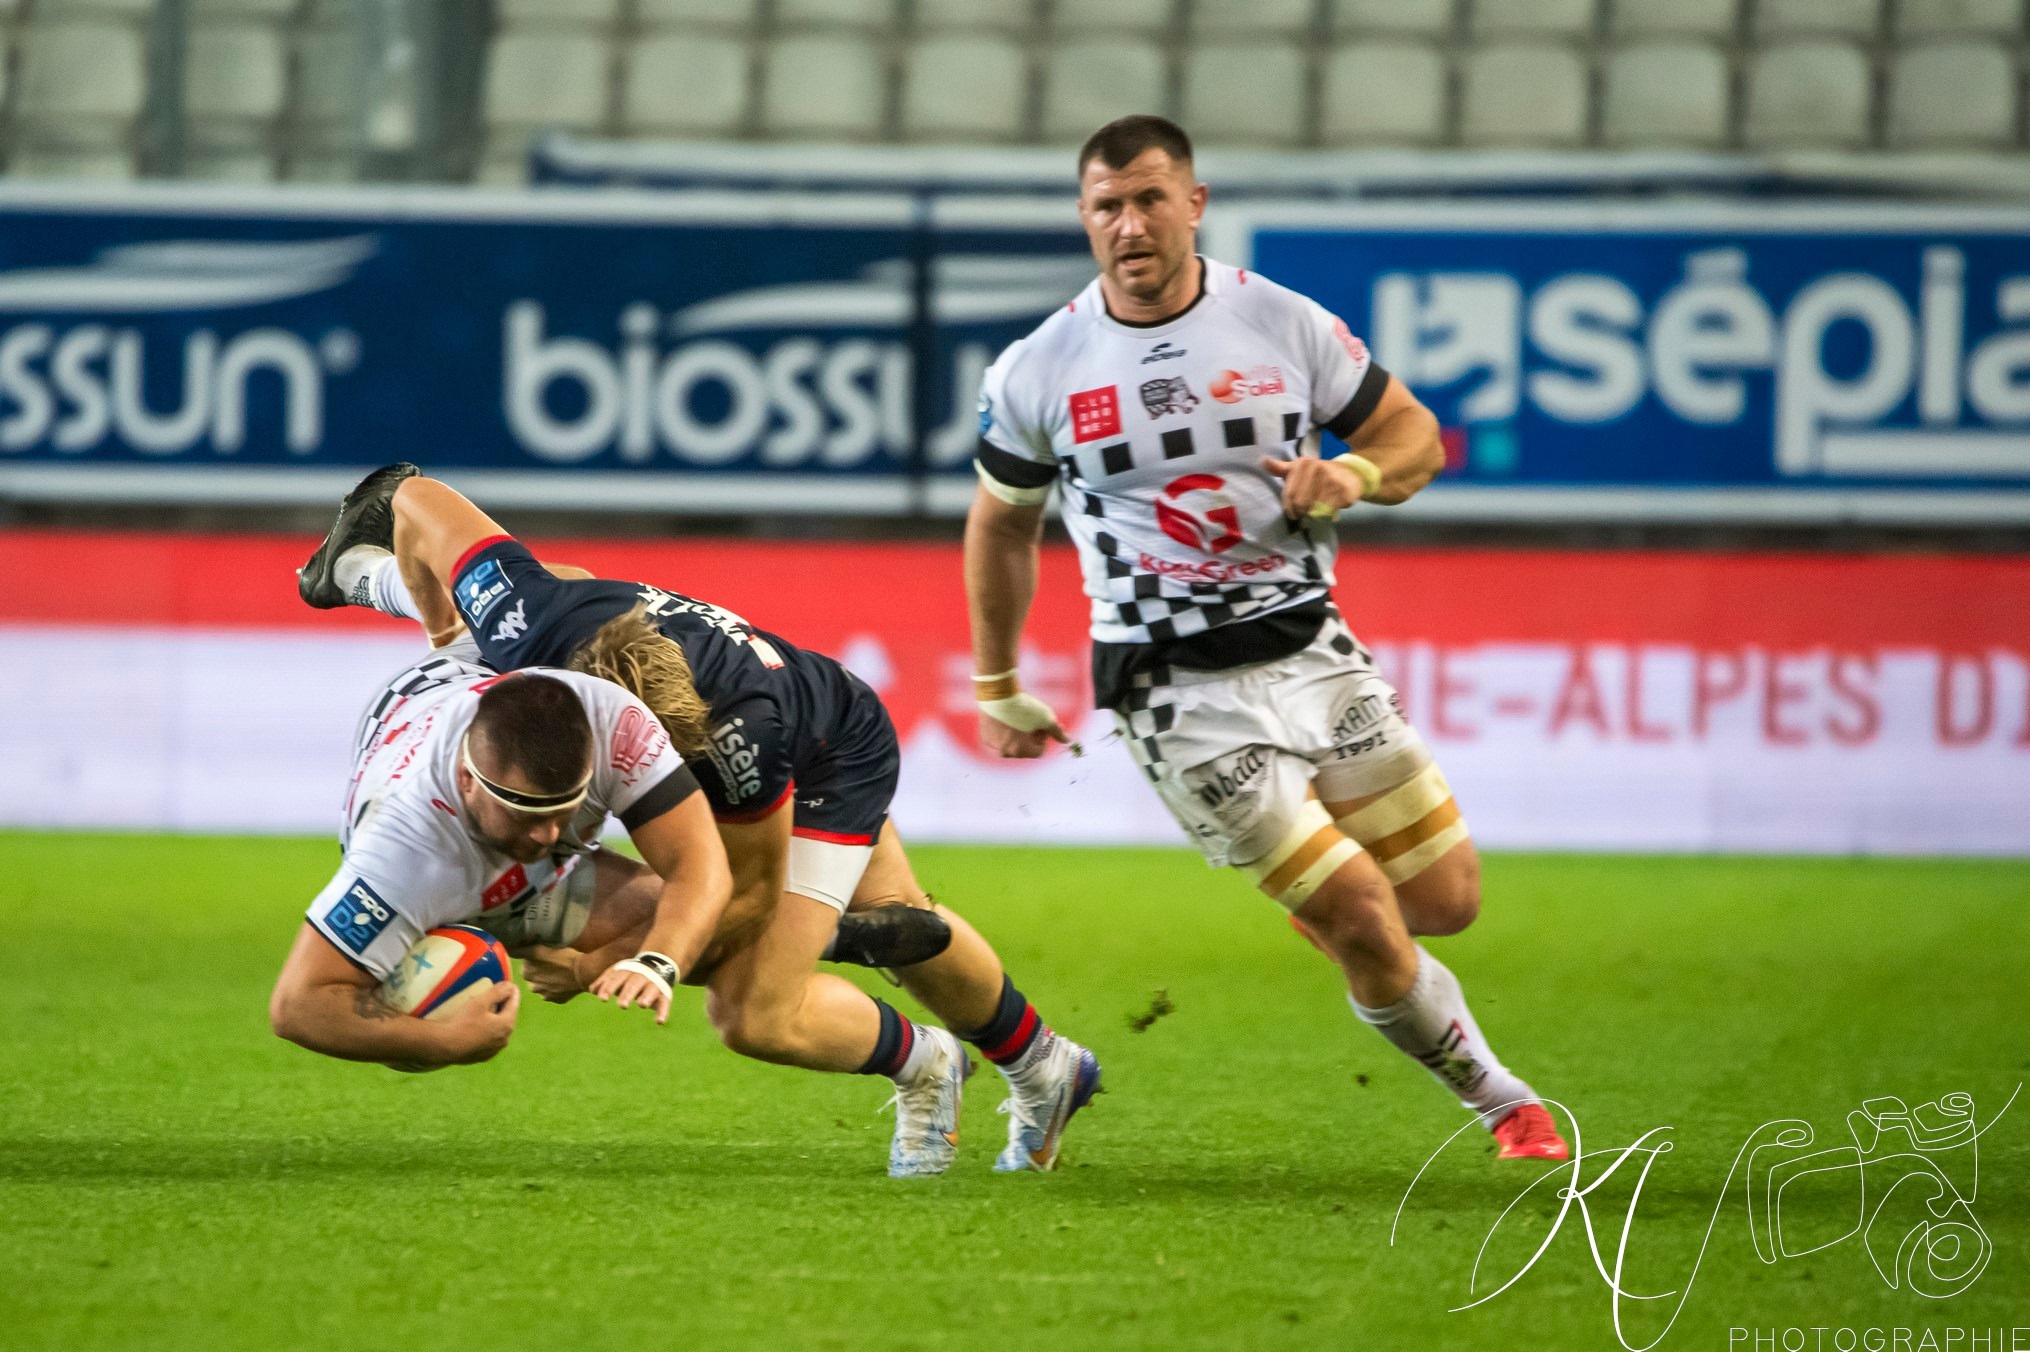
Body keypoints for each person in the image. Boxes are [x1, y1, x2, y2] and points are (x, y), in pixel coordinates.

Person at [961, 114, 1567, 1161]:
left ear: (1194, 203)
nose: (1130, 224)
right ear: (1083, 218)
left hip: (1311, 648)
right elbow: (1001, 525)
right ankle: (1502, 1100)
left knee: (1445, 900)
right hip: (1171, 686)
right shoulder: (1038, 366)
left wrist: (1354, 473)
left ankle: (1331, 908)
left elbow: (1413, 435)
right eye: (1107, 206)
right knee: (1365, 916)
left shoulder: (1280, 320)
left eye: (1150, 199)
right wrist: (996, 680)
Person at [295, 466, 1103, 1175]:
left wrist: (601, 964)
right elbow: (414, 498)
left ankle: (935, 1047)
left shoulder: (732, 747)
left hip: (827, 751)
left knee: (756, 1010)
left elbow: (739, 896)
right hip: (750, 697)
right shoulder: (528, 620)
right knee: (896, 919)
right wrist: (448, 634)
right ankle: (1045, 1064)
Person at [269, 660, 730, 1075]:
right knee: (406, 1025)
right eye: (525, 813)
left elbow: (701, 868)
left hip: (540, 877)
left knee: (717, 928)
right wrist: (447, 1041)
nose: (548, 834)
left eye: (563, 810)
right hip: (440, 880)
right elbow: (299, 1004)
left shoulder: (614, 725)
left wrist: (652, 963)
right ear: (467, 779)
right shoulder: (403, 849)